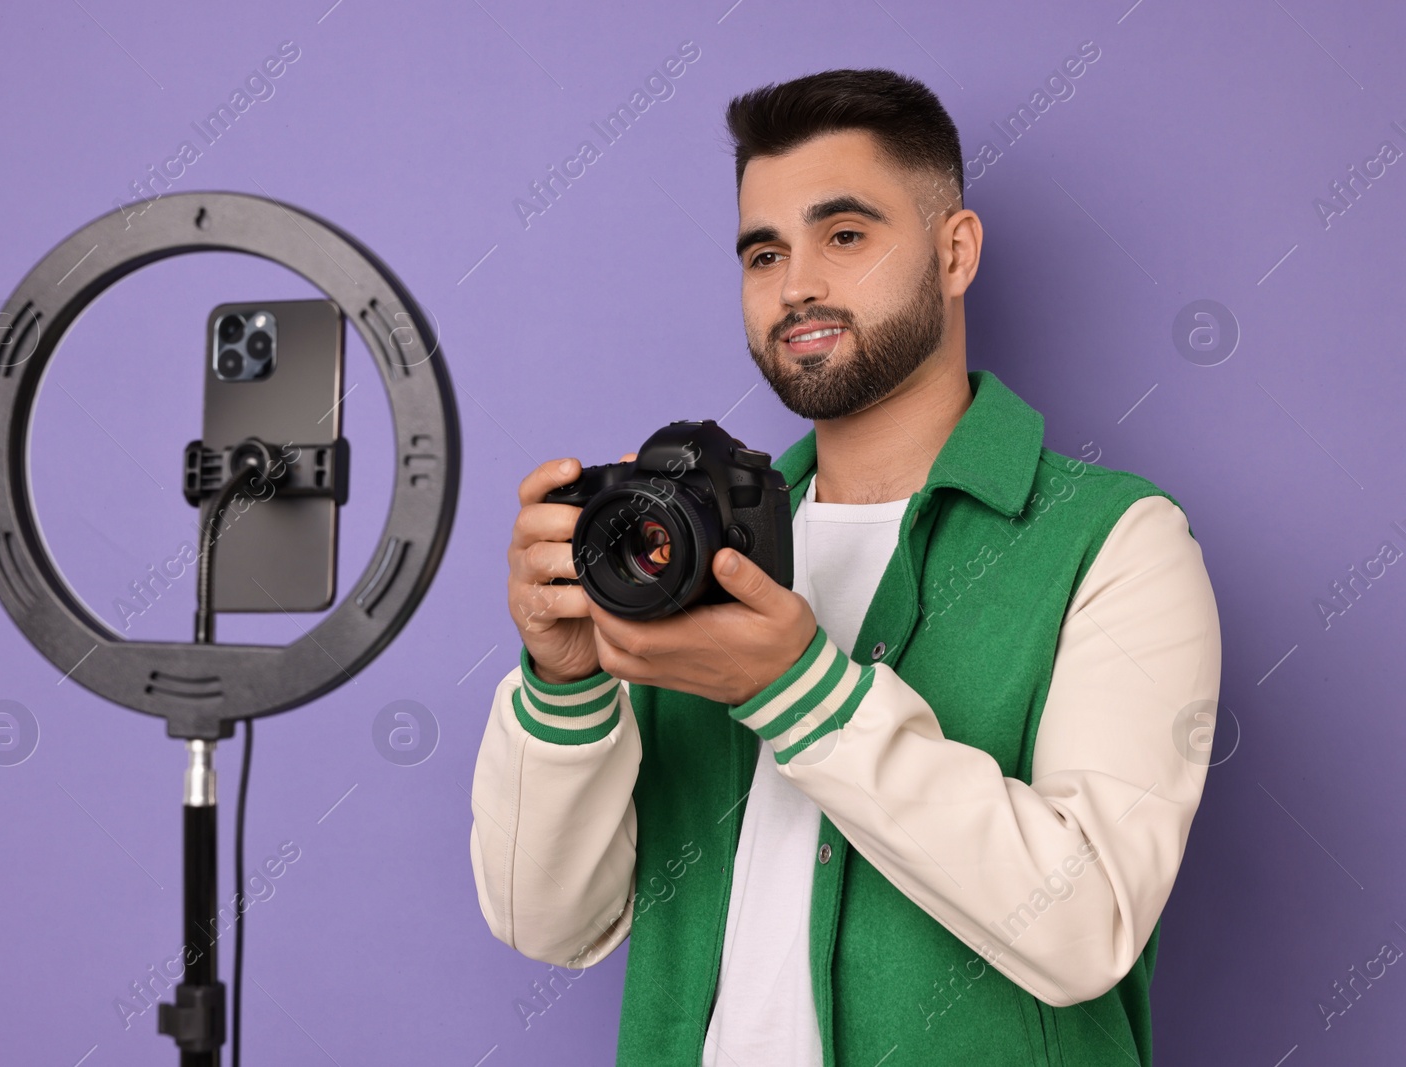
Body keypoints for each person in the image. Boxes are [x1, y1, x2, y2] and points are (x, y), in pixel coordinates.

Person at [469, 67, 1221, 1067]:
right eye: (763, 251)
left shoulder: (1116, 541)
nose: (796, 285)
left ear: (955, 253)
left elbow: (1085, 924)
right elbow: (548, 924)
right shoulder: (680, 549)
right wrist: (561, 685)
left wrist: (795, 688)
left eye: (846, 235)